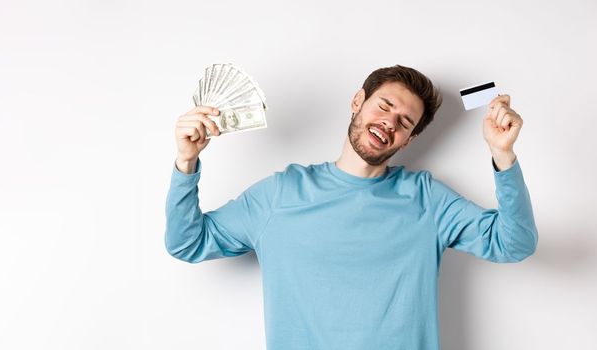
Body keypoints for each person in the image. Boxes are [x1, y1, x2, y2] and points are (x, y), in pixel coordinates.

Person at [165, 65, 537, 349]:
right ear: (358, 102)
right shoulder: (281, 194)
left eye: (404, 122)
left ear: (409, 140)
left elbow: (514, 243)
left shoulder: (428, 200)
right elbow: (187, 242)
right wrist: (186, 162)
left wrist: (502, 155)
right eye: (384, 106)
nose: (389, 122)